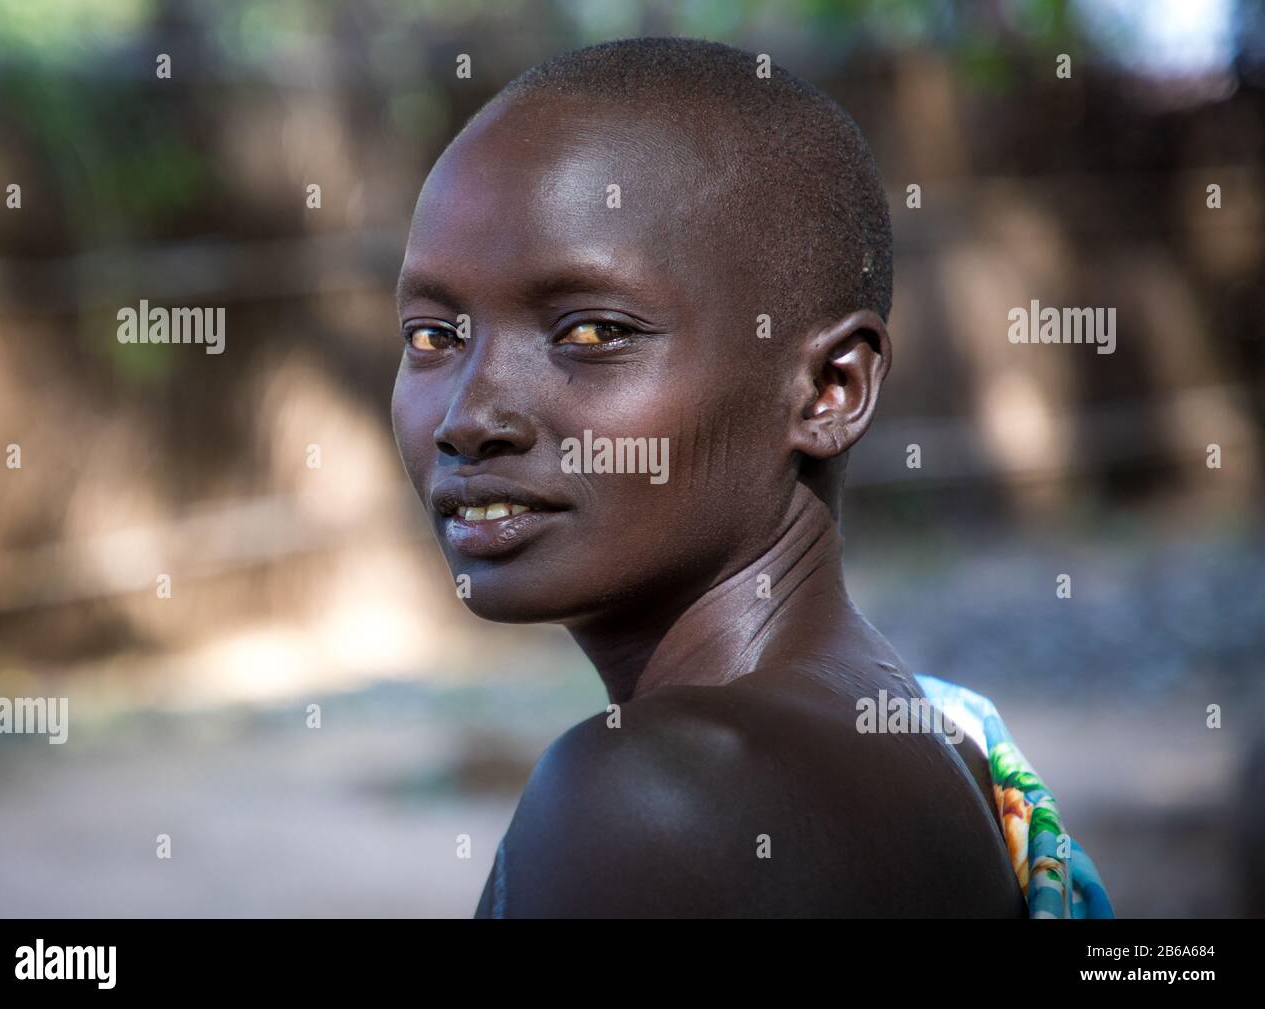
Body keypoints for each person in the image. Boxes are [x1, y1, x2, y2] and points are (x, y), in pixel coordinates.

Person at [391, 36, 1110, 918]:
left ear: (829, 389)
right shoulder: (928, 733)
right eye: (435, 336)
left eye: (591, 332)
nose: (470, 417)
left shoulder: (651, 798)